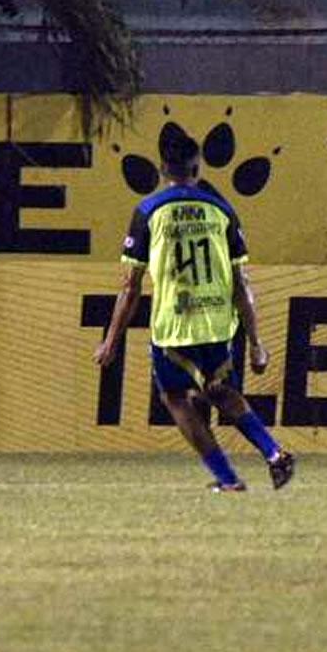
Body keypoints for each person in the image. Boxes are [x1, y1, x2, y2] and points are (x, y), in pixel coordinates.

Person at [94, 137, 295, 492]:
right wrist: (256, 343)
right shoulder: (222, 210)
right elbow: (241, 283)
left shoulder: (148, 211)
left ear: (162, 169)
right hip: (217, 322)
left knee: (174, 398)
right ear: (197, 168)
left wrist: (111, 341)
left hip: (175, 325)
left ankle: (228, 479)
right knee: (221, 391)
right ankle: (274, 453)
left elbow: (130, 287)